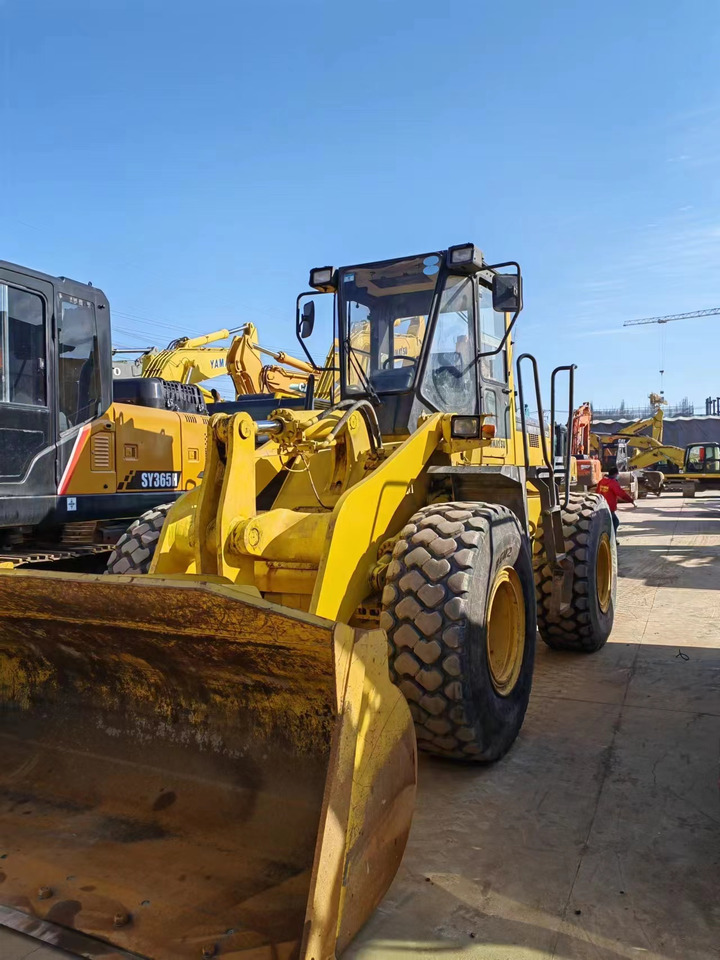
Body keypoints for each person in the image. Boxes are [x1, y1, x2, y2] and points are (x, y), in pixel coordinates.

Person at [596, 466, 636, 536]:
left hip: (600, 505)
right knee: (614, 523)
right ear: (615, 474)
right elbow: (621, 493)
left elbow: (597, 492)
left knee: (608, 523)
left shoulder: (601, 481)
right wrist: (630, 500)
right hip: (609, 507)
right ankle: (612, 539)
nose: (617, 476)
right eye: (617, 474)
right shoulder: (613, 483)